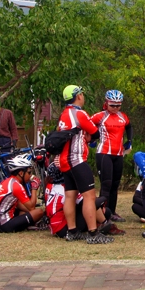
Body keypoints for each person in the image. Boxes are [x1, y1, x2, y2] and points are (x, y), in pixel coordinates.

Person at [58, 85, 111, 244]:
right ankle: (93, 233)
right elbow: (95, 132)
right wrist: (89, 136)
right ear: (78, 96)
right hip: (77, 159)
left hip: (64, 160)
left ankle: (72, 231)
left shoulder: (64, 114)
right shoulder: (78, 113)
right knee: (89, 196)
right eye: (81, 94)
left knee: (70, 195)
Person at [91, 89, 133, 224]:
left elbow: (129, 127)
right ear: (106, 103)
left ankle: (112, 212)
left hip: (119, 154)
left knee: (115, 185)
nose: (115, 108)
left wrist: (130, 140)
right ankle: (101, 212)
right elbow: (86, 126)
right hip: (104, 153)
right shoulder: (100, 116)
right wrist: (90, 139)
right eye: (112, 105)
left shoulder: (123, 116)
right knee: (106, 184)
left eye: (118, 105)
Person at [44, 161, 115, 239]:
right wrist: (103, 198)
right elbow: (91, 202)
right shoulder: (65, 188)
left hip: (55, 224)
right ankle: (103, 224)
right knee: (102, 210)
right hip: (63, 227)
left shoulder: (50, 186)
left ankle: (101, 223)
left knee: (101, 210)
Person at [0, 155, 44, 233]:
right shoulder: (17, 186)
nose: (30, 176)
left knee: (24, 212)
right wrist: (34, 188)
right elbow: (32, 207)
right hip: (3, 225)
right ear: (21, 173)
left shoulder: (9, 181)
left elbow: (19, 205)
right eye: (29, 172)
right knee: (39, 212)